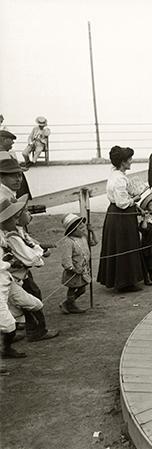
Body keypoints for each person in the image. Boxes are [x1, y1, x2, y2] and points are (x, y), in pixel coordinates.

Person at [0, 195, 59, 342]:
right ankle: (35, 331)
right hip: (15, 276)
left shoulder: (19, 232)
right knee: (29, 299)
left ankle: (19, 331)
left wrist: (41, 249)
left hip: (18, 274)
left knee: (24, 302)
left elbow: (32, 244)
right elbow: (30, 257)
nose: (28, 215)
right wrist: (39, 254)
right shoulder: (12, 236)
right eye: (24, 212)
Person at [97, 146, 148, 292]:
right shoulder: (119, 179)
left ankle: (123, 280)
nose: (131, 162)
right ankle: (124, 282)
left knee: (121, 245)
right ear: (123, 162)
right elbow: (122, 203)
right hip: (121, 216)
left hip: (116, 214)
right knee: (125, 245)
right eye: (129, 159)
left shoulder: (115, 174)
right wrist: (136, 198)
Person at [58, 213, 97, 314]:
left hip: (83, 270)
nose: (83, 228)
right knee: (73, 289)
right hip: (74, 271)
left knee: (82, 289)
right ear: (72, 229)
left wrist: (92, 231)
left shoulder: (83, 237)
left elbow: (94, 242)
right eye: (79, 227)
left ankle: (67, 303)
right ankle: (70, 305)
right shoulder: (68, 241)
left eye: (83, 226)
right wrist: (73, 269)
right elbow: (66, 259)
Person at [0, 132, 32, 199]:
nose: (13, 143)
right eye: (11, 140)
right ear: (4, 140)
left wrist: (18, 167)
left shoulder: (6, 153)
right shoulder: (3, 154)